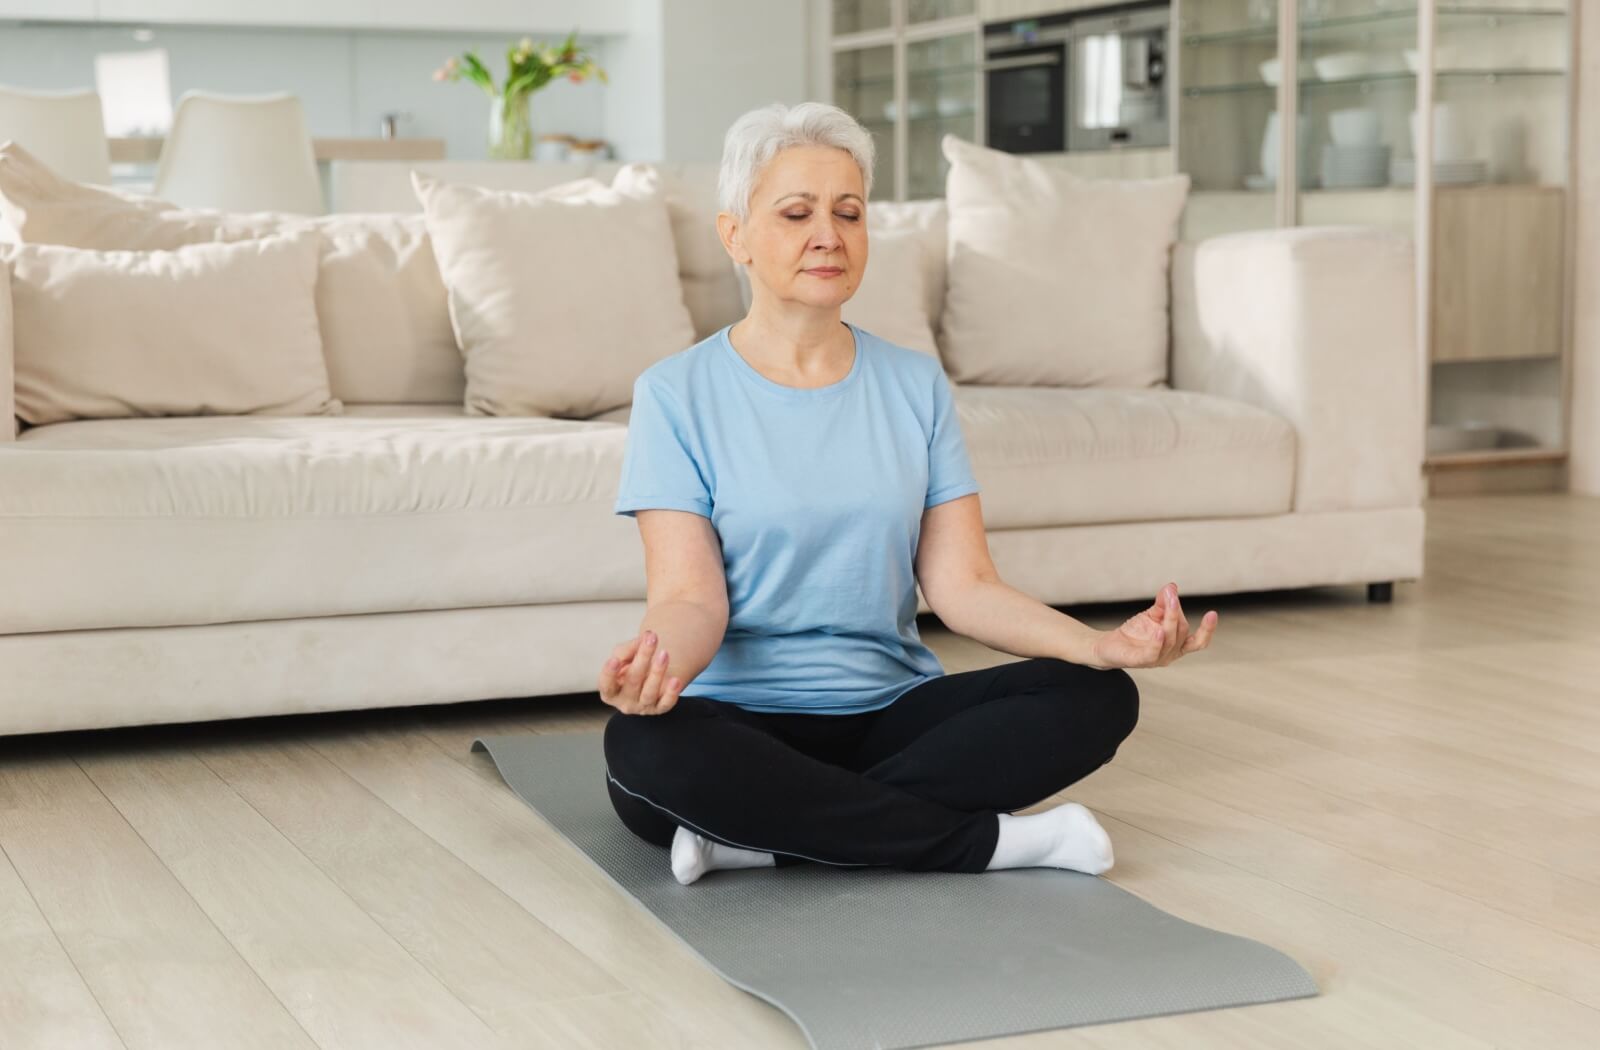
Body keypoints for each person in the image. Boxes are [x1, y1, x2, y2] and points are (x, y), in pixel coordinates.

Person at [598, 101, 1218, 886]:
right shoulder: (675, 394)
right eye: (796, 213)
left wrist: (1097, 645)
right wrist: (654, 673)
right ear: (736, 236)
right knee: (643, 749)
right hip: (736, 722)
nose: (828, 233)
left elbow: (965, 586)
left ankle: (758, 840)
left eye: (848, 212)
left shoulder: (914, 384)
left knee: (1097, 697)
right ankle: (994, 844)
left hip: (890, 718)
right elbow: (692, 599)